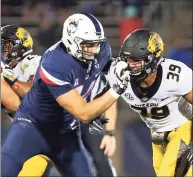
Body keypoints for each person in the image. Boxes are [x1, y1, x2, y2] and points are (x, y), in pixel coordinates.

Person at [1, 13, 129, 176]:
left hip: (66, 132)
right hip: (32, 127)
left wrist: (117, 69)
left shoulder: (101, 50)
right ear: (71, 41)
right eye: (88, 45)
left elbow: (105, 70)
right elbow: (83, 113)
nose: (94, 50)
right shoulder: (55, 63)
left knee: (94, 167)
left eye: (96, 44)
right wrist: (116, 90)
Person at [107, 29, 192, 176]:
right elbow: (108, 99)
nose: (130, 65)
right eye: (128, 60)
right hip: (157, 134)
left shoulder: (175, 75)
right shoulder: (118, 73)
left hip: (182, 129)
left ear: (152, 59)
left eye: (136, 60)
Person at [1, 24, 51, 176]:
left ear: (20, 46)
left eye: (7, 45)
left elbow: (32, 91)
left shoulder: (33, 61)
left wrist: (8, 76)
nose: (3, 50)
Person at [81, 73, 117, 177]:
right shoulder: (60, 65)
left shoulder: (102, 68)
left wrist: (110, 133)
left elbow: (111, 99)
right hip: (63, 121)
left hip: (91, 121)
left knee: (102, 163)